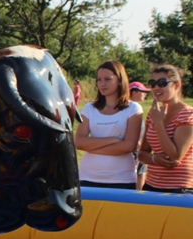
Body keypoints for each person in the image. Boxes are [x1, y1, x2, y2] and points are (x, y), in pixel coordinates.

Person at [75, 61, 143, 190]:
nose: (102, 84)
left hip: (122, 179)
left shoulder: (133, 108)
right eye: (99, 80)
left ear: (120, 80)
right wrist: (114, 140)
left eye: (107, 79)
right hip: (88, 177)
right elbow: (79, 142)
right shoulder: (89, 108)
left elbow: (129, 146)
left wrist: (91, 147)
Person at [137, 65, 193, 193]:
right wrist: (154, 159)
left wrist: (159, 124)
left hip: (180, 188)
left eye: (162, 83)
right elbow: (142, 154)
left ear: (177, 85)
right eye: (153, 83)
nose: (156, 87)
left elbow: (175, 156)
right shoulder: (153, 113)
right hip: (152, 185)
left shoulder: (187, 114)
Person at [130, 81, 151, 189]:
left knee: (141, 171)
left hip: (138, 148)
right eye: (142, 91)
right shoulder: (130, 108)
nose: (145, 94)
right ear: (134, 92)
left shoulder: (135, 107)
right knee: (136, 175)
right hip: (135, 149)